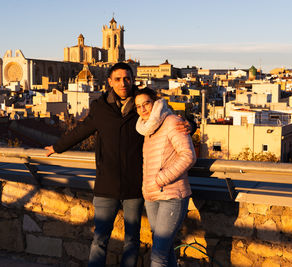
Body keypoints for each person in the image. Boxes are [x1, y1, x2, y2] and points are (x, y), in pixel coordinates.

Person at [45, 62, 195, 266]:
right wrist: (57, 147)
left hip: (135, 185)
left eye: (127, 78)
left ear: (133, 79)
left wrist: (191, 125)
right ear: (109, 82)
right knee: (100, 239)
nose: (123, 83)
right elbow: (82, 130)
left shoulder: (142, 104)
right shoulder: (100, 107)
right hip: (107, 184)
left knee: (132, 241)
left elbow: (168, 117)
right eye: (117, 79)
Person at [134, 88, 197, 267]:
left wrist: (161, 178)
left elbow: (188, 155)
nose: (143, 109)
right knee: (165, 250)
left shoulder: (171, 122)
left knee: (157, 257)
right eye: (138, 106)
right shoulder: (147, 129)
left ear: (155, 102)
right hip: (152, 196)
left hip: (171, 195)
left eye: (146, 103)